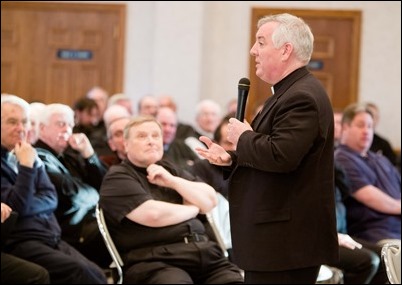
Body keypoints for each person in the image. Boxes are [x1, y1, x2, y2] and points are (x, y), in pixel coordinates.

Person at [196, 13, 338, 283]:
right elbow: (278, 152)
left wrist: (244, 137)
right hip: (279, 241)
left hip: (285, 242)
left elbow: (281, 156)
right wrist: (232, 158)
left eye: (261, 43)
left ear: (286, 50)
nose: (253, 51)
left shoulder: (301, 96)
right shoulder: (289, 91)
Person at [99, 116, 244, 284]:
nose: (151, 141)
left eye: (155, 136)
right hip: (156, 261)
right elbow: (153, 215)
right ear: (125, 144)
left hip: (205, 255)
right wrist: (193, 208)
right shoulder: (117, 177)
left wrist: (172, 181)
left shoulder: (170, 170)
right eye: (142, 136)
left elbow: (210, 200)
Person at [1, 94, 107, 283]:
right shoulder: (29, 156)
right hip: (20, 241)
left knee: (96, 273)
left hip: (49, 235)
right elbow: (18, 205)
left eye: (24, 122)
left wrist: (27, 206)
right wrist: (26, 167)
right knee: (79, 272)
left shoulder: (28, 153)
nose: (21, 128)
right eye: (12, 122)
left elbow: (51, 197)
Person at [34, 103, 110, 268]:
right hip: (69, 231)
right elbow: (71, 193)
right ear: (42, 128)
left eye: (70, 125)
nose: (67, 130)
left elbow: (107, 186)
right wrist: (97, 195)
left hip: (89, 223)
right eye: (61, 124)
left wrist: (89, 154)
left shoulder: (68, 156)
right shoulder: (37, 156)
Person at [334, 102, 401, 245]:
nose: (366, 131)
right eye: (360, 125)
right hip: (375, 232)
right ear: (345, 127)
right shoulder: (341, 159)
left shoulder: (380, 159)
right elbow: (370, 197)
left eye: (370, 126)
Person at [1, 202, 50, 284]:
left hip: (48, 233)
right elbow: (21, 206)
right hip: (24, 236)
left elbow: (51, 201)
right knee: (37, 275)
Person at [365, 102, 398, 166]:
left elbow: (392, 166)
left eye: (373, 116)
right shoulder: (352, 142)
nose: (370, 119)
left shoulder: (383, 144)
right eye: (368, 115)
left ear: (377, 119)